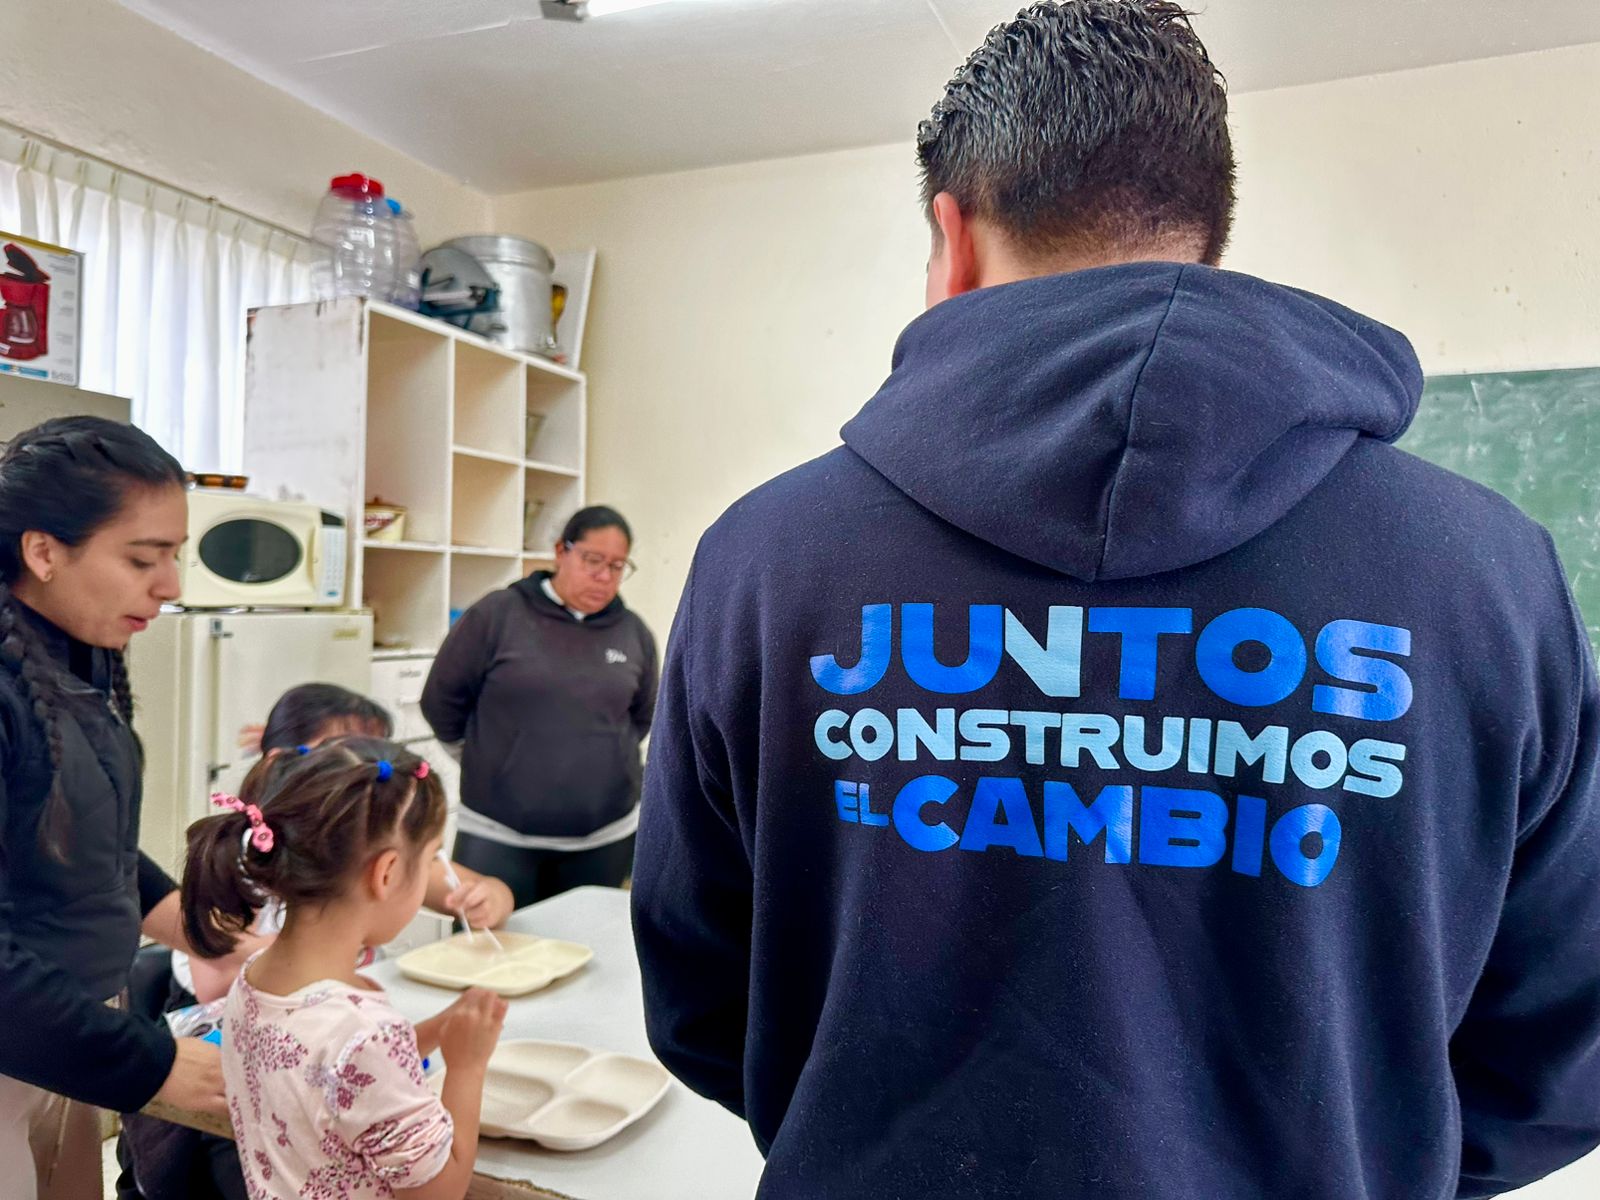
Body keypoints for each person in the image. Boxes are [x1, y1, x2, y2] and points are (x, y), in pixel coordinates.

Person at [629, 3, 1600, 1198]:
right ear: (1205, 232)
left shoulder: (762, 560)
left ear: (951, 238)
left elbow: (698, 986)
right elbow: (1561, 1037)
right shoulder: (1490, 576)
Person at [118, 682, 516, 1200]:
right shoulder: (363, 1029)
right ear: (388, 873)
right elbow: (438, 1190)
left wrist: (437, 1030)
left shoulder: (255, 986)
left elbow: (333, 1075)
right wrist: (467, 1067)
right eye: (431, 857)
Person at [0, 416, 226, 1199]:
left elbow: (82, 841)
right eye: (142, 558)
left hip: (66, 1044)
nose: (169, 585)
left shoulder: (79, 653)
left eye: (175, 555)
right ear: (43, 551)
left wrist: (202, 931)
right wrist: (154, 1064)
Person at [422, 506, 658, 907]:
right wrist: (492, 756)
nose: (604, 576)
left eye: (617, 566)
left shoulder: (633, 632)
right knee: (490, 955)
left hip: (604, 836)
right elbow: (441, 702)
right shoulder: (498, 614)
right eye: (593, 560)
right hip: (499, 834)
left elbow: (642, 716)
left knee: (590, 954)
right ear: (560, 552)